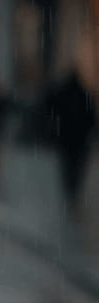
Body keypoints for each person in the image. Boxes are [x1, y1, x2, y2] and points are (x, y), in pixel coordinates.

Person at [43, 65, 97, 214]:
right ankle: (73, 198)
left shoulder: (65, 93)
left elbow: (49, 105)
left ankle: (71, 197)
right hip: (79, 141)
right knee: (76, 171)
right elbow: (91, 117)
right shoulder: (83, 93)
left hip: (67, 140)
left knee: (68, 171)